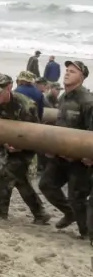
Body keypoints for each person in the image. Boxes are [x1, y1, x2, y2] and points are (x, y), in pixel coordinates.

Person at [0, 73, 50, 224]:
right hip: (7, 145)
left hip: (26, 150)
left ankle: (1, 215)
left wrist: (20, 147)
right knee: (20, 180)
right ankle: (40, 213)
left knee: (5, 175)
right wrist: (0, 143)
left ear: (9, 88)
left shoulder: (26, 106)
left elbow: (34, 134)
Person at [38, 60, 93, 241]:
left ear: (82, 78)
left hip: (80, 160)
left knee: (77, 197)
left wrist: (89, 156)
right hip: (61, 156)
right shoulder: (63, 98)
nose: (67, 73)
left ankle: (85, 233)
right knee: (46, 184)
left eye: (73, 71)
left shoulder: (87, 101)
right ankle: (69, 214)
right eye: (67, 70)